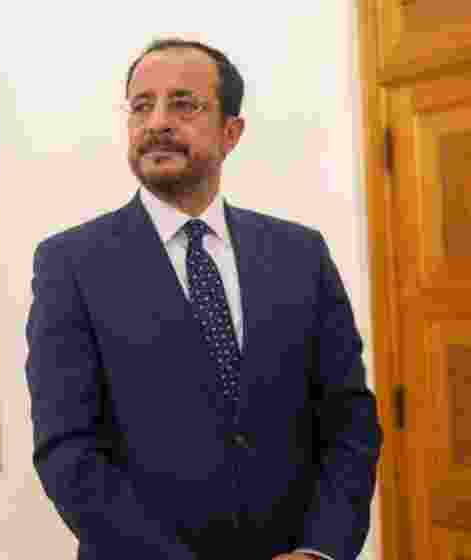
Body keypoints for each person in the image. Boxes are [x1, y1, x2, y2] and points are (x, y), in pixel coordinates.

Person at [25, 38, 382, 560]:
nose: (158, 122)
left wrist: (319, 550)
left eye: (184, 104)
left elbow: (349, 422)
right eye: (141, 106)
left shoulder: (300, 254)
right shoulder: (71, 264)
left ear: (231, 132)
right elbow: (68, 449)